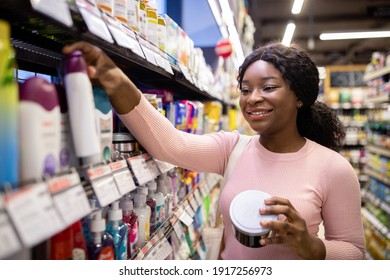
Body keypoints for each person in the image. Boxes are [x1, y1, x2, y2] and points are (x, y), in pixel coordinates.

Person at [62, 41, 365, 260]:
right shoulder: (232, 148)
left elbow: (354, 251)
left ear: (300, 96)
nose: (253, 99)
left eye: (268, 87)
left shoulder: (333, 168)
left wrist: (312, 246)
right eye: (245, 90)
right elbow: (168, 143)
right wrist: (111, 75)